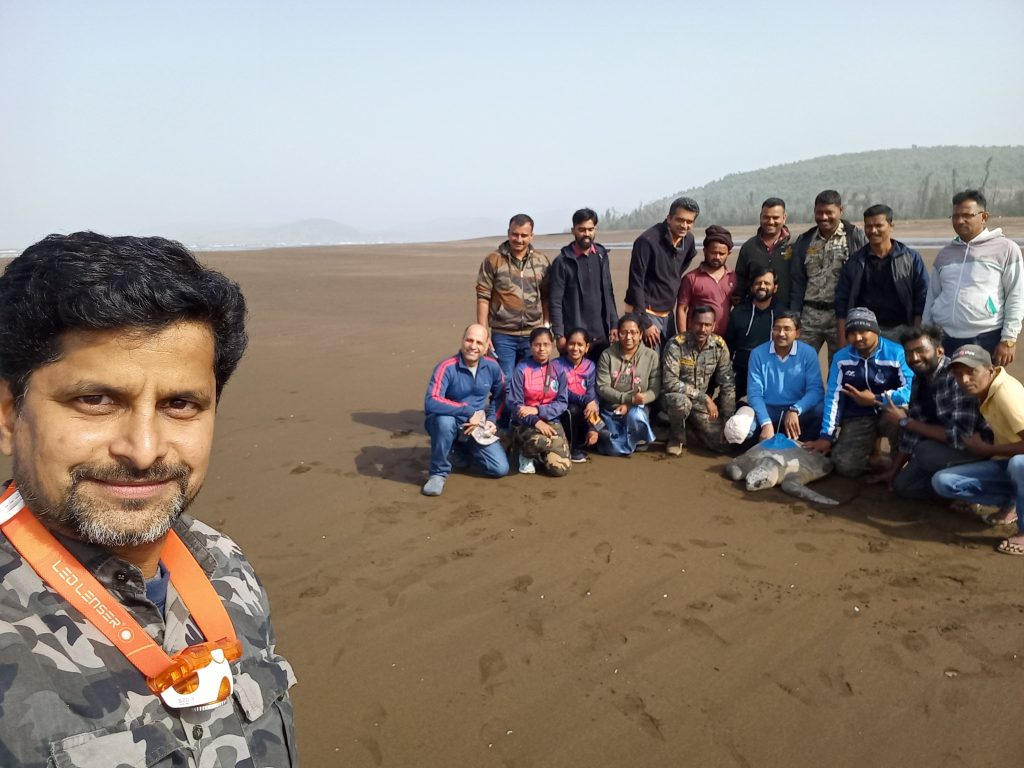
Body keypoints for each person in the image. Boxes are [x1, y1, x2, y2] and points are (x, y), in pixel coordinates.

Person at [0, 232, 298, 767]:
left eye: (180, 404)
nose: (143, 450)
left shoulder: (226, 567)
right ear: (7, 415)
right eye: (95, 400)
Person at [873, 327, 992, 503]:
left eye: (921, 351)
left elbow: (961, 436)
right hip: (942, 444)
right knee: (902, 486)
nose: (914, 358)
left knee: (924, 452)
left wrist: (905, 421)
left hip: (976, 446)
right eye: (909, 353)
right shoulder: (918, 378)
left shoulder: (958, 378)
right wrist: (894, 470)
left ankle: (981, 483)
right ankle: (950, 488)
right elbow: (912, 432)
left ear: (939, 351)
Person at [931, 345, 1024, 555]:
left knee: (1019, 464)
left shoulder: (1004, 394)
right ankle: (1012, 504)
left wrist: (986, 449)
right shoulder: (986, 390)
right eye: (958, 374)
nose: (964, 380)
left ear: (990, 370)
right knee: (944, 482)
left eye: (971, 372)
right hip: (1008, 461)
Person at [805, 307, 913, 477]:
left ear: (875, 331)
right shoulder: (841, 358)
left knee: (901, 421)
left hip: (890, 411)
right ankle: (871, 452)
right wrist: (826, 436)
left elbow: (910, 390)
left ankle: (900, 465)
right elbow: (833, 397)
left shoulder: (897, 353)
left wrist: (876, 399)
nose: (858, 338)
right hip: (859, 415)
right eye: (852, 333)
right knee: (845, 466)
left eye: (863, 332)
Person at [922, 189, 1024, 366]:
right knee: (947, 391)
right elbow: (933, 296)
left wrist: (1008, 339)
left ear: (984, 217)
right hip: (945, 338)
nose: (960, 220)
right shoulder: (945, 254)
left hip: (985, 337)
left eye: (967, 215)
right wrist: (926, 335)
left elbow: (1016, 295)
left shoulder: (1006, 249)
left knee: (980, 390)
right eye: (955, 216)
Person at [423, 324, 509, 496]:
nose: (473, 346)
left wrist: (492, 419)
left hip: (476, 426)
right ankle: (438, 472)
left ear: (486, 347)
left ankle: (457, 449)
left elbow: (501, 394)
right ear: (462, 341)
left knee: (500, 469)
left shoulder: (492, 367)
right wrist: (468, 411)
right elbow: (431, 401)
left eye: (479, 342)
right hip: (450, 419)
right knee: (444, 422)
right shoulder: (446, 367)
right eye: (469, 340)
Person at [790, 190, 868, 361]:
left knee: (841, 367)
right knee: (799, 367)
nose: (824, 217)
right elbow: (797, 281)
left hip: (840, 317)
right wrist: (794, 315)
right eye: (819, 212)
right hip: (809, 317)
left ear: (841, 210)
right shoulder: (804, 241)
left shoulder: (855, 237)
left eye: (829, 213)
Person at [475, 213, 551, 387]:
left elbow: (547, 296)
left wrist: (546, 325)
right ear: (508, 232)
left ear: (531, 236)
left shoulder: (542, 261)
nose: (519, 239)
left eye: (524, 235)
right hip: (503, 334)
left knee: (530, 381)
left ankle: (524, 414)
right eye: (515, 234)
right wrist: (483, 333)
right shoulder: (493, 260)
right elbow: (483, 296)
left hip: (533, 333)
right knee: (505, 381)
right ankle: (502, 415)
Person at [835, 204, 928, 342]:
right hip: (865, 332)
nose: (873, 231)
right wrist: (844, 342)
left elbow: (921, 299)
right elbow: (842, 304)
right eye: (869, 226)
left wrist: (916, 335)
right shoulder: (856, 262)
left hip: (901, 331)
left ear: (891, 226)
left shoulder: (909, 259)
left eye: (879, 226)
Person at [624, 197, 700, 348]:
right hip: (645, 313)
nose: (684, 226)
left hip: (668, 314)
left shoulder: (688, 240)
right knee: (649, 367)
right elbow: (636, 283)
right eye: (680, 220)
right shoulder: (647, 241)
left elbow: (682, 265)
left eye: (689, 222)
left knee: (668, 365)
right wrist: (644, 322)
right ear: (669, 218)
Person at [740, 311, 825, 443]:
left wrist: (796, 409)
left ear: (797, 333)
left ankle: (803, 444)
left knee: (823, 410)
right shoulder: (758, 353)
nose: (781, 334)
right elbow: (755, 394)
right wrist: (765, 423)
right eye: (777, 328)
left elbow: (816, 390)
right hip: (768, 409)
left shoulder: (808, 353)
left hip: (796, 409)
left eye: (787, 329)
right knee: (739, 428)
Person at [662, 305, 736, 455]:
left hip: (699, 404)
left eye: (708, 325)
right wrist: (705, 398)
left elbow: (727, 383)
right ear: (690, 323)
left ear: (714, 326)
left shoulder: (719, 346)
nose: (703, 329)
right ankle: (676, 438)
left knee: (723, 444)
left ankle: (689, 428)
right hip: (673, 398)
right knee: (681, 403)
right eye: (699, 324)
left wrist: (727, 419)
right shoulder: (677, 344)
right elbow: (670, 382)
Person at [548, 208, 619, 362]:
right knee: (574, 381)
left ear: (595, 229)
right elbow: (555, 301)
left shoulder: (601, 255)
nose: (586, 234)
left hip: (601, 334)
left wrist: (614, 324)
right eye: (581, 230)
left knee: (600, 380)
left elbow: (608, 291)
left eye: (590, 229)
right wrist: (559, 334)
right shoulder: (562, 261)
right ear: (573, 230)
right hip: (575, 337)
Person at [506, 327, 571, 476]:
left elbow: (562, 402)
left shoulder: (558, 370)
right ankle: (525, 453)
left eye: (546, 344)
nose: (541, 349)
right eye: (537, 344)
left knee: (559, 470)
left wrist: (538, 411)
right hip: (525, 423)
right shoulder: (521, 369)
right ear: (530, 346)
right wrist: (535, 420)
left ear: (552, 346)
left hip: (551, 421)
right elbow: (515, 405)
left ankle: (541, 455)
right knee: (541, 441)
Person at [596, 313, 661, 456]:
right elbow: (602, 387)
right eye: (624, 332)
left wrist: (636, 401)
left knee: (636, 416)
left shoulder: (651, 356)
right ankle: (618, 438)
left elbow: (655, 389)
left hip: (636, 408)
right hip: (611, 409)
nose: (629, 337)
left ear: (641, 334)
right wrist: (627, 399)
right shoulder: (607, 355)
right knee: (610, 444)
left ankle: (635, 438)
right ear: (618, 334)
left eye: (633, 333)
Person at [724, 265, 778, 400]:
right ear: (751, 287)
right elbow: (727, 350)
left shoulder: (781, 316)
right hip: (741, 374)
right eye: (758, 283)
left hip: (771, 377)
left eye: (767, 283)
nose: (762, 286)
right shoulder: (738, 313)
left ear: (775, 288)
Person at [676, 225, 737, 337]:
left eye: (722, 254)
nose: (717, 257)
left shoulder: (733, 277)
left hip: (724, 342)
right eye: (713, 253)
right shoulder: (691, 278)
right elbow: (681, 308)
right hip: (697, 338)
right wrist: (682, 338)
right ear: (705, 251)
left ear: (729, 253)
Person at [733, 197, 793, 308]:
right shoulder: (749, 247)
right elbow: (740, 280)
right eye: (766, 217)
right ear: (760, 217)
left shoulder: (794, 245)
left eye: (775, 218)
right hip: (756, 312)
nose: (770, 222)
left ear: (784, 218)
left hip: (785, 314)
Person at [552, 328, 601, 463]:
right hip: (563, 409)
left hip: (585, 409)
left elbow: (592, 393)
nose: (575, 348)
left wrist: (594, 426)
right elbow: (562, 393)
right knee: (572, 410)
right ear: (566, 345)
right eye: (572, 344)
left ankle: (589, 435)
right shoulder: (556, 365)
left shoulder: (590, 366)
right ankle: (572, 449)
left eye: (580, 345)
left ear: (587, 347)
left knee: (604, 436)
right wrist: (587, 400)